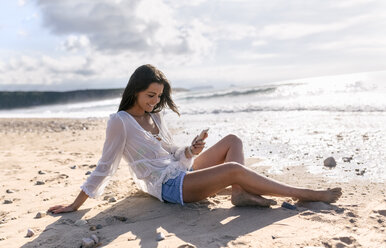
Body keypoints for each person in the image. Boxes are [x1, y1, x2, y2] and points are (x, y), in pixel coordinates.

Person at [48, 64, 342, 214]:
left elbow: (172, 152)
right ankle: (306, 194)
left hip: (181, 171)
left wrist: (190, 149)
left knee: (232, 140)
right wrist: (76, 204)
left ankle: (239, 193)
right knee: (233, 169)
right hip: (168, 186)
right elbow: (104, 165)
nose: (154, 101)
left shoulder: (155, 117)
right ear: (134, 90)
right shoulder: (119, 122)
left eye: (159, 96)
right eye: (150, 95)